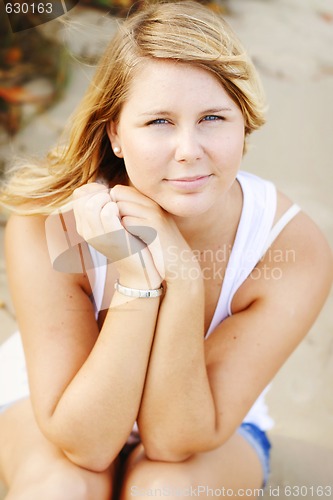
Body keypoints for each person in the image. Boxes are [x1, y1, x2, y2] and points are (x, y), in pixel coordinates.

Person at [0, 1, 332, 498]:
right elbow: (86, 445)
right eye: (159, 121)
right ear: (115, 132)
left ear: (244, 121)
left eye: (213, 117)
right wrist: (136, 280)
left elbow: (175, 441)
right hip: (60, 400)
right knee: (62, 487)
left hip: (207, 417)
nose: (188, 149)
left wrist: (183, 278)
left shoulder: (288, 245)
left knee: (166, 489)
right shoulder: (46, 223)